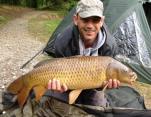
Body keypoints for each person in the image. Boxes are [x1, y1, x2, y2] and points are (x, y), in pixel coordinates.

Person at [45, 0, 121, 106]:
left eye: (95, 20)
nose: (90, 25)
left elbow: (101, 83)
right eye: (85, 19)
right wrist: (58, 85)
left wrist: (105, 85)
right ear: (76, 19)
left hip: (93, 88)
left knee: (100, 106)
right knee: (54, 102)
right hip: (68, 84)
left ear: (102, 21)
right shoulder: (62, 42)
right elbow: (58, 73)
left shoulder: (110, 46)